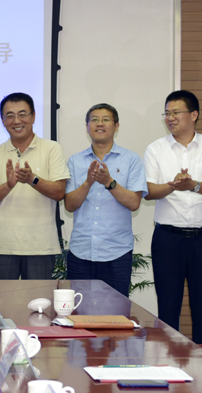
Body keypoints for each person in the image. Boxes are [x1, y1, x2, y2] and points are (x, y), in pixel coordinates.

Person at [143, 90, 202, 344]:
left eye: (176, 112)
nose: (170, 118)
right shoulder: (155, 149)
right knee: (168, 308)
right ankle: (168, 363)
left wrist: (193, 185)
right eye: (167, 113)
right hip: (167, 239)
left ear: (194, 115)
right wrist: (173, 186)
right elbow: (149, 192)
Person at [0, 92, 69, 280]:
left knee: (39, 298)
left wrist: (32, 180)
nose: (16, 121)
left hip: (41, 246)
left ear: (33, 116)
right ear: (3, 120)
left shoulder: (51, 148)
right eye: (9, 116)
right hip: (3, 246)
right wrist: (8, 185)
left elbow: (59, 192)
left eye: (22, 114)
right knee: (4, 298)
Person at [64, 103, 148, 297]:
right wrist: (88, 182)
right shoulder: (75, 161)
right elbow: (69, 205)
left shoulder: (131, 159)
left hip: (116, 253)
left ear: (116, 126)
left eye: (106, 120)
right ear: (87, 126)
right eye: (94, 120)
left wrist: (109, 182)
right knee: (79, 311)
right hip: (81, 252)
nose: (99, 124)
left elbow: (134, 203)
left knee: (116, 312)